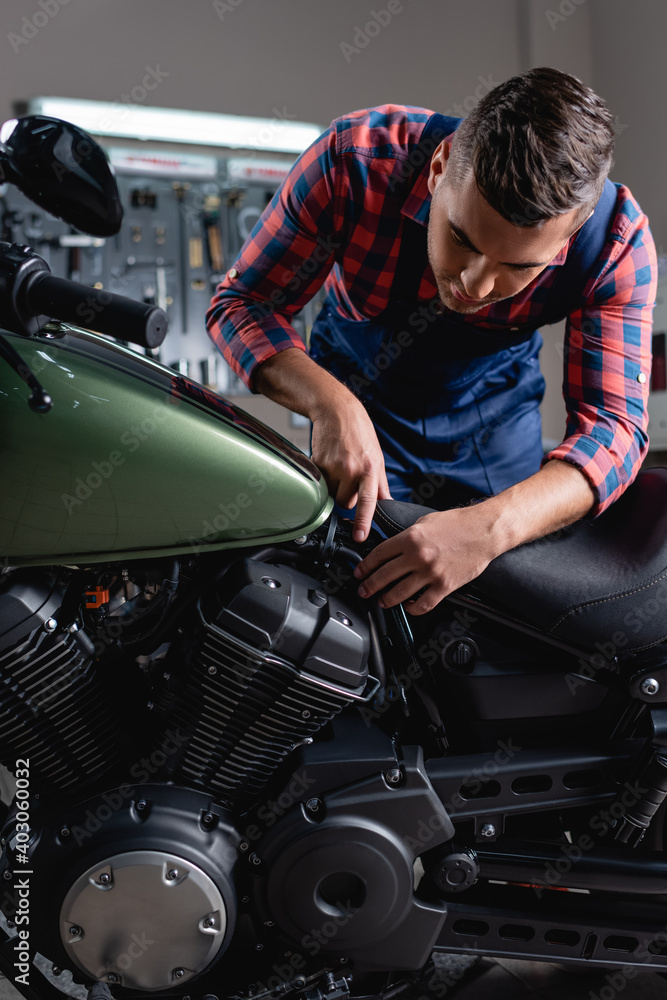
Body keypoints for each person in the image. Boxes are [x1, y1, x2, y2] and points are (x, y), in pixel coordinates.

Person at [206, 67, 656, 616]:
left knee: (488, 615)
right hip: (359, 398)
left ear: (572, 233)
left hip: (492, 420)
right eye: (462, 239)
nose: (474, 283)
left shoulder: (614, 244)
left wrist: (489, 529)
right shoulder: (352, 163)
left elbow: (614, 430)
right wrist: (331, 404)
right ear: (439, 168)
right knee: (350, 603)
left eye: (518, 266)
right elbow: (242, 303)